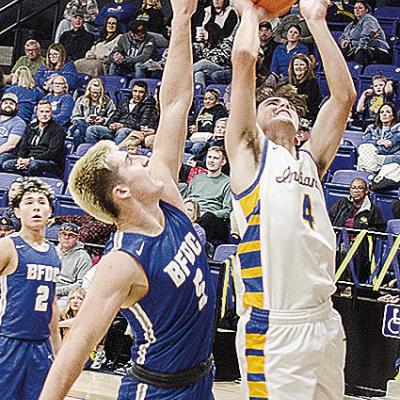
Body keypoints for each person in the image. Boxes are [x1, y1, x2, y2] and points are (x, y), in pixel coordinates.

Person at [39, 1, 215, 399]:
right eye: (131, 159)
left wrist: (183, 20)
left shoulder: (166, 195)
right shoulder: (121, 262)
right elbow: (79, 346)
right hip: (158, 391)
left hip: (201, 378)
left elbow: (173, 105)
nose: (143, 157)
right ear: (121, 192)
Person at [225, 0, 356, 398]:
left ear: (301, 126)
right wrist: (248, 12)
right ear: (254, 120)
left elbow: (344, 97)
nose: (281, 104)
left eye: (288, 104)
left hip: (325, 321)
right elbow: (245, 58)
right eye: (270, 104)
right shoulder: (249, 154)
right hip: (276, 327)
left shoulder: (312, 160)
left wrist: (316, 21)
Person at [0, 177, 62, 400]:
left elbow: (52, 304)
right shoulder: (8, 245)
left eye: (42, 201)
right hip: (8, 341)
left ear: (50, 213)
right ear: (16, 211)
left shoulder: (54, 253)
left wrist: (57, 350)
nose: (36, 206)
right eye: (28, 202)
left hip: (40, 345)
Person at [329, 177, 386, 283]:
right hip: (338, 238)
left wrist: (362, 234)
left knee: (341, 251)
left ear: (366, 191)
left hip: (359, 244)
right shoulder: (342, 204)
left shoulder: (373, 209)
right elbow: (330, 219)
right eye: (353, 188)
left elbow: (380, 228)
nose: (356, 191)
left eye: (360, 188)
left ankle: (344, 283)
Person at [3, 100, 65, 176]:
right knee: (7, 164)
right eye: (41, 112)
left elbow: (52, 153)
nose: (44, 115)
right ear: (37, 113)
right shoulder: (31, 127)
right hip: (28, 159)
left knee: (34, 165)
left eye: (47, 112)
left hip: (49, 162)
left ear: (51, 113)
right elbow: (23, 146)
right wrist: (20, 159)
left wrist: (30, 160)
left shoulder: (58, 129)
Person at [85, 80, 156, 145]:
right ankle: (93, 154)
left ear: (145, 93)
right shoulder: (125, 101)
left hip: (131, 131)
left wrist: (123, 125)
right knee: (91, 129)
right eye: (135, 91)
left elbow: (143, 124)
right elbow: (114, 116)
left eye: (141, 92)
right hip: (115, 129)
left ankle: (115, 154)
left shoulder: (148, 105)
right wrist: (111, 124)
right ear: (131, 91)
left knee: (122, 131)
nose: (137, 94)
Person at [184, 146, 232, 243]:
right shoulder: (196, 178)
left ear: (223, 162)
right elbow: (187, 199)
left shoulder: (228, 182)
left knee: (208, 217)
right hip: (193, 214)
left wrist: (203, 214)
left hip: (214, 220)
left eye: (215, 158)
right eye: (209, 157)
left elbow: (227, 211)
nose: (211, 161)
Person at [68, 77, 116, 147]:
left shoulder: (108, 101)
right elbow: (74, 117)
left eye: (98, 93)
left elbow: (113, 118)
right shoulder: (81, 100)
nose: (95, 95)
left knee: (77, 130)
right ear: (89, 90)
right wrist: (86, 119)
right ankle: (79, 152)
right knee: (78, 128)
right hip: (84, 125)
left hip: (100, 128)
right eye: (93, 92)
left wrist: (103, 120)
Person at [339, 0, 390, 66]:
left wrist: (359, 47)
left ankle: (361, 73)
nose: (357, 10)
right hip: (358, 48)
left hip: (377, 49)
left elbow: (366, 36)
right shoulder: (352, 24)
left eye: (360, 8)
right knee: (339, 53)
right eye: (355, 8)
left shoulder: (369, 19)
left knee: (360, 53)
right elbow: (343, 36)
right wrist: (343, 41)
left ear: (366, 10)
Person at [56, 223, 92, 309]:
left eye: (71, 235)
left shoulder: (83, 257)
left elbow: (81, 284)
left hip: (68, 295)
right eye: (63, 234)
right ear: (59, 236)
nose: (66, 238)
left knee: (58, 307)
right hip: (47, 289)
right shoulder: (52, 251)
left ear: (77, 238)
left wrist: (58, 291)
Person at [357, 103, 400, 172]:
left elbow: (387, 149)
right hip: (372, 155)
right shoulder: (371, 128)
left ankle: (370, 169)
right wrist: (378, 142)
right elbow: (365, 142)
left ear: (393, 116)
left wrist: (375, 147)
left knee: (362, 159)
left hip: (387, 158)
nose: (384, 114)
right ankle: (373, 168)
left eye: (388, 112)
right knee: (364, 147)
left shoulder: (398, 129)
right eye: (381, 112)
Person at [193, 22, 233, 88]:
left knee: (204, 63)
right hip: (209, 70)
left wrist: (209, 60)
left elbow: (223, 58)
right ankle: (200, 93)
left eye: (205, 31)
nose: (203, 33)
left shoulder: (225, 43)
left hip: (223, 68)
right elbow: (201, 58)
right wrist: (198, 47)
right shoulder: (206, 46)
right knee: (199, 74)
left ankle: (184, 74)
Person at [287, 53, 321, 122]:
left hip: (307, 116)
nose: (298, 67)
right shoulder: (287, 81)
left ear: (306, 67)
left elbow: (310, 104)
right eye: (296, 65)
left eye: (301, 65)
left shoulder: (312, 83)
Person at [0, 93, 27, 169]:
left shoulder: (19, 122)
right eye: (5, 103)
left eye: (11, 103)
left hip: (7, 153)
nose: (8, 105)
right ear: (1, 105)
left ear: (16, 107)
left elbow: (11, 145)